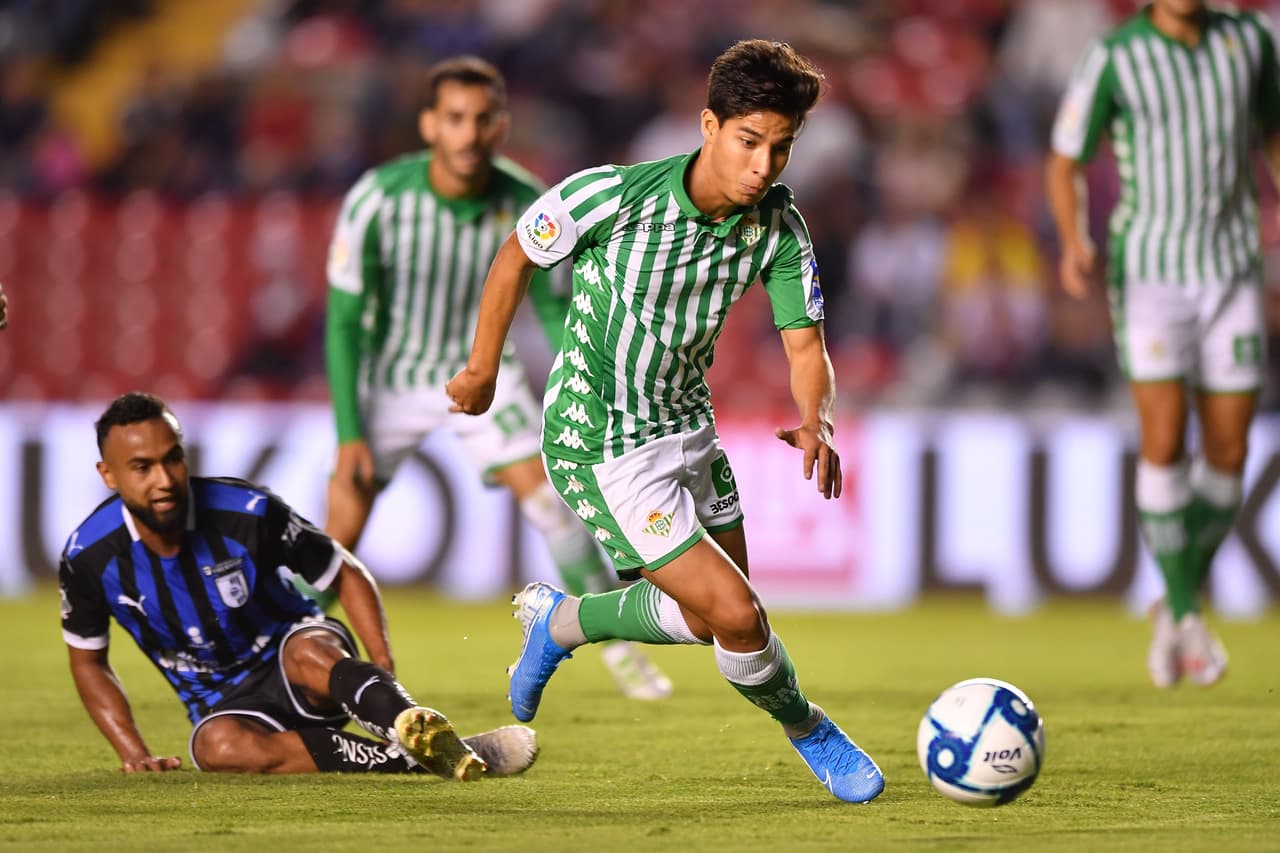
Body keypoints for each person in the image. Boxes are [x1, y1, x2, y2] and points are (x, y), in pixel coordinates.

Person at [447, 40, 885, 804]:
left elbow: (806, 343)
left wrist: (817, 419)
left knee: (715, 618)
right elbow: (516, 254)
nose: (763, 167)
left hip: (688, 423)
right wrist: (484, 367)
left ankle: (563, 622)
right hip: (601, 442)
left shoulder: (780, 227)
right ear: (709, 125)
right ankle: (810, 727)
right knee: (739, 614)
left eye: (781, 149)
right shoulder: (612, 197)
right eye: (750, 142)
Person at [323, 55, 671, 702]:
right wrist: (350, 432)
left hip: (485, 370)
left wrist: (593, 381)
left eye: (483, 120)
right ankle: (293, 644)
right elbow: (342, 321)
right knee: (338, 528)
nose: (469, 134)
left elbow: (556, 306)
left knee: (548, 503)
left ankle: (621, 650)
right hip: (391, 379)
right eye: (455, 119)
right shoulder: (376, 199)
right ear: (430, 125)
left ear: (502, 125)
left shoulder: (525, 201)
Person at [60, 391, 538, 776]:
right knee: (216, 749)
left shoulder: (244, 511)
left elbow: (343, 572)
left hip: (294, 654)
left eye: (173, 459)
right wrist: (133, 750)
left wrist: (382, 669)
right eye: (142, 468)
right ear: (109, 475)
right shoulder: (88, 557)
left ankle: (405, 720)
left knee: (310, 651)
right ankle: (429, 756)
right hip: (225, 705)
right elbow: (88, 661)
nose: (163, 479)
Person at [1047, 0, 1280, 687]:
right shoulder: (1116, 57)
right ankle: (1186, 612)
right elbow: (1064, 161)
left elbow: (1272, 129)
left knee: (1231, 449)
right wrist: (1073, 237)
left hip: (1234, 269)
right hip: (1149, 276)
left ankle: (1175, 602)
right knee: (1167, 437)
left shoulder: (1251, 43)